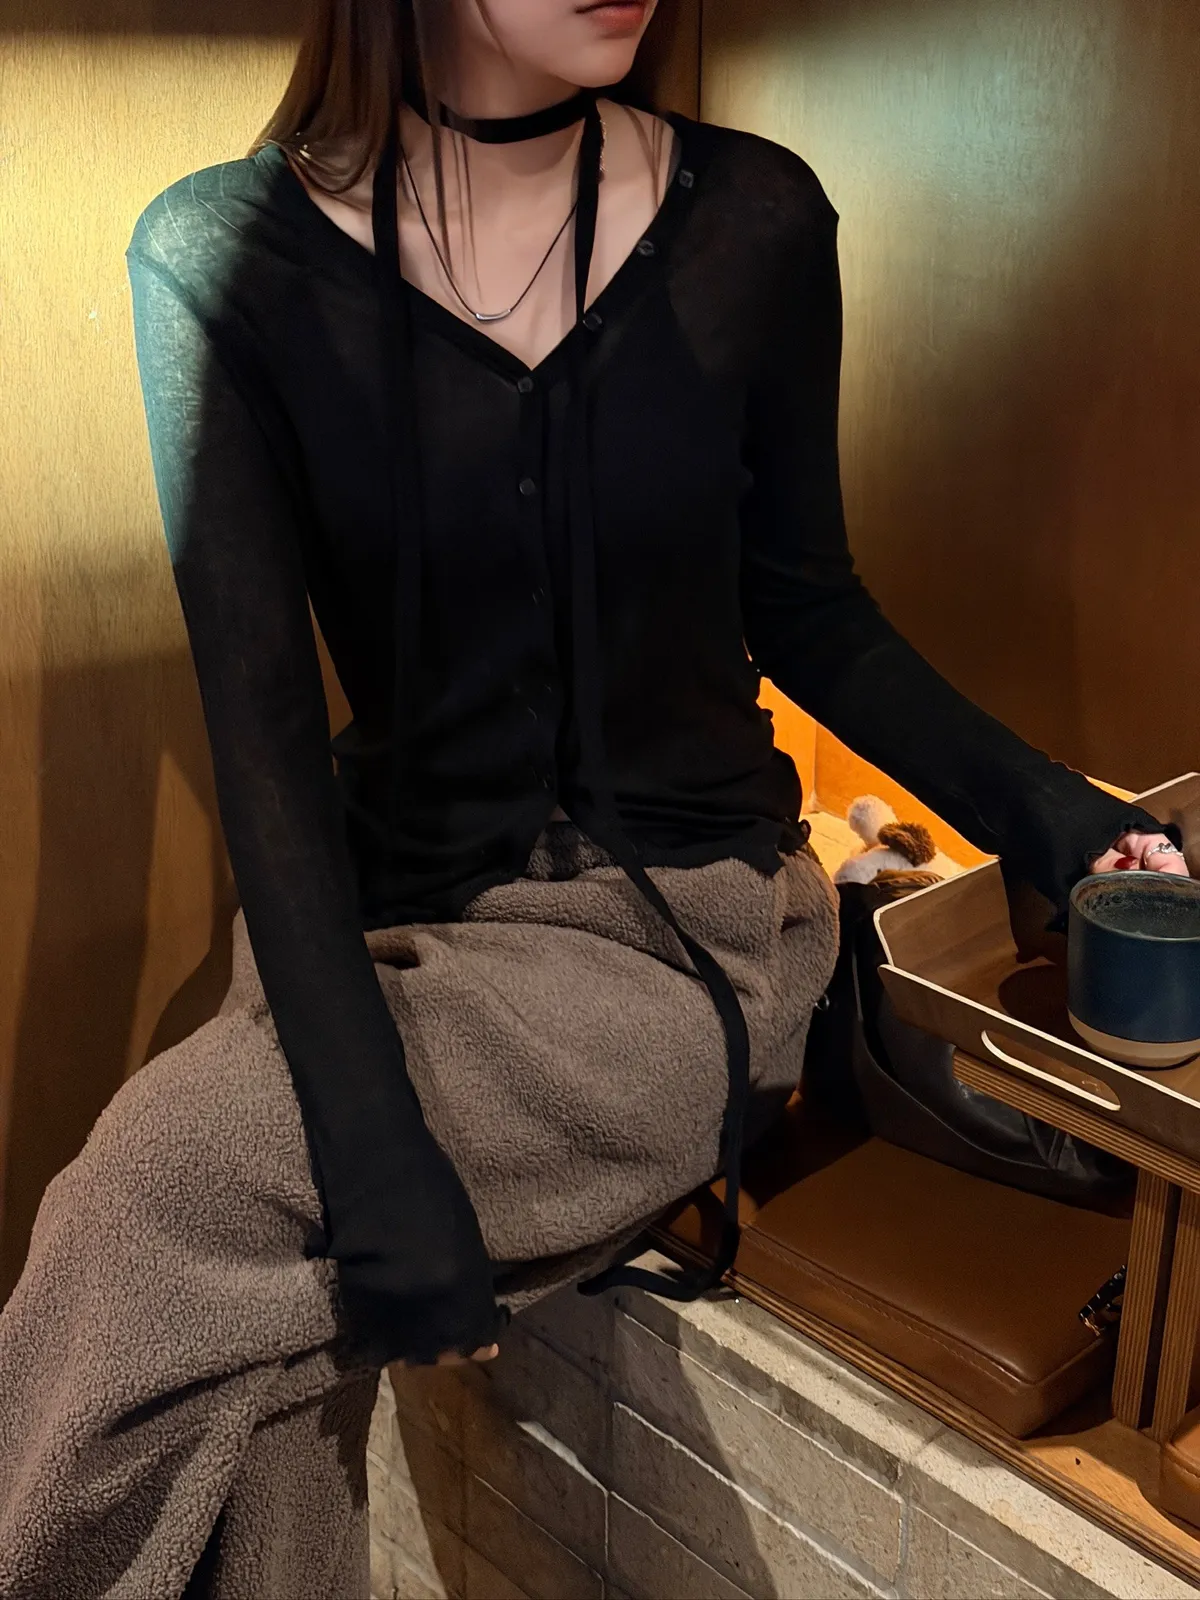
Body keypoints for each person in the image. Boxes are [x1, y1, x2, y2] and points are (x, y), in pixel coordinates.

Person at [0, 0, 1186, 1594]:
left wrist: (1050, 812)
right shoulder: (221, 256)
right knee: (243, 1357)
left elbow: (811, 611)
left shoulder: (756, 218)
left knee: (157, 1189)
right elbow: (261, 739)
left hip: (680, 931)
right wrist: (373, 1146)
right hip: (375, 927)